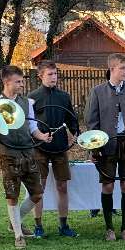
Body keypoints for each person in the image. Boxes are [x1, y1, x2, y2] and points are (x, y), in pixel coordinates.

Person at [84, 52, 125, 241]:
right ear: (112, 69)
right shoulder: (98, 92)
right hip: (106, 145)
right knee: (108, 186)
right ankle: (109, 228)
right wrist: (93, 149)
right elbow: (91, 122)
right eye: (122, 68)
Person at [0, 65, 54, 249]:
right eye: (18, 81)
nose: (21, 85)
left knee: (37, 193)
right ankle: (18, 235)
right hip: (8, 154)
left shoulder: (27, 102)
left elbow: (32, 127)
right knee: (12, 194)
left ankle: (15, 222)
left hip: (28, 152)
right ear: (6, 82)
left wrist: (42, 136)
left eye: (22, 81)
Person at [27, 60, 79, 238]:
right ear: (40, 76)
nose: (53, 77)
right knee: (38, 187)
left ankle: (63, 224)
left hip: (60, 148)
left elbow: (72, 119)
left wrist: (76, 132)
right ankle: (38, 225)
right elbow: (29, 123)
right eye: (50, 74)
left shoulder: (64, 96)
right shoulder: (32, 97)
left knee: (62, 186)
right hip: (39, 148)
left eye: (55, 74)